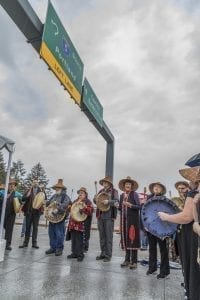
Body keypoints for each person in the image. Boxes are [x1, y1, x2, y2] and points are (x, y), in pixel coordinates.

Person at [158, 167, 200, 300]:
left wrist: (166, 217)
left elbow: (186, 217)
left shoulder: (194, 193)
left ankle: (193, 293)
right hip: (191, 233)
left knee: (193, 269)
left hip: (192, 236)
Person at [146, 182, 170, 279]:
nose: (156, 188)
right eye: (155, 186)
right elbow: (145, 212)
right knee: (152, 248)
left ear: (161, 189)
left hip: (161, 228)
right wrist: (145, 226)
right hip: (150, 228)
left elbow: (169, 213)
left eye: (158, 187)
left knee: (163, 250)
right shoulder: (148, 199)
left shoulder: (165, 199)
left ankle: (164, 271)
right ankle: (152, 268)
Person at [94, 176, 119, 262]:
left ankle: (108, 255)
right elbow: (96, 202)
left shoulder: (114, 191)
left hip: (109, 216)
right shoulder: (100, 191)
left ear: (109, 183)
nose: (104, 184)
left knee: (108, 236)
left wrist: (108, 201)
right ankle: (103, 253)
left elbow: (117, 201)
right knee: (102, 236)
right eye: (103, 182)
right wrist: (95, 199)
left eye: (106, 182)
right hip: (100, 216)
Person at [118, 176, 140, 269]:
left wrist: (130, 205)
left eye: (129, 184)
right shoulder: (122, 195)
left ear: (131, 186)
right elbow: (120, 208)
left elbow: (139, 206)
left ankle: (134, 261)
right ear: (124, 186)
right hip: (124, 221)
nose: (127, 185)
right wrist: (116, 205)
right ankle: (127, 260)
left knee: (133, 238)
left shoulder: (134, 194)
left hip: (133, 221)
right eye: (126, 184)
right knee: (126, 239)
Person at [45, 179, 71, 256]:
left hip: (60, 218)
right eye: (56, 188)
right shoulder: (53, 196)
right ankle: (53, 247)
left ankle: (59, 248)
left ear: (62, 189)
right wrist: (46, 203)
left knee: (59, 234)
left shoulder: (65, 197)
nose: (57, 189)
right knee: (51, 233)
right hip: (52, 217)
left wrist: (58, 208)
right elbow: (49, 203)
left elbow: (67, 205)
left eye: (58, 188)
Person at [67, 187, 93, 261]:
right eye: (79, 193)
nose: (80, 194)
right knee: (74, 239)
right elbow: (71, 210)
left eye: (82, 193)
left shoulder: (88, 202)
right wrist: (69, 207)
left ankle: (80, 254)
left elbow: (90, 211)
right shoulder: (75, 201)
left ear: (85, 194)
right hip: (73, 223)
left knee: (80, 240)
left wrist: (84, 207)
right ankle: (74, 253)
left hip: (82, 225)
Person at [19, 180, 46, 249]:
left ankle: (34, 243)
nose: (35, 183)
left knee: (35, 228)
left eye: (36, 182)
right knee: (27, 227)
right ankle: (25, 243)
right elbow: (23, 199)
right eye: (34, 182)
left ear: (38, 183)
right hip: (29, 212)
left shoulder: (41, 191)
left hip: (37, 213)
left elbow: (45, 198)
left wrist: (43, 193)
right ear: (32, 183)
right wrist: (27, 196)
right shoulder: (28, 190)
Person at [4, 179, 22, 250]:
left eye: (13, 185)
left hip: (11, 214)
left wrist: (19, 210)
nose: (12, 186)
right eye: (10, 184)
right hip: (2, 213)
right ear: (8, 185)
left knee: (9, 229)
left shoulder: (17, 194)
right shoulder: (3, 192)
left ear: (15, 186)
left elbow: (20, 203)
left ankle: (7, 244)